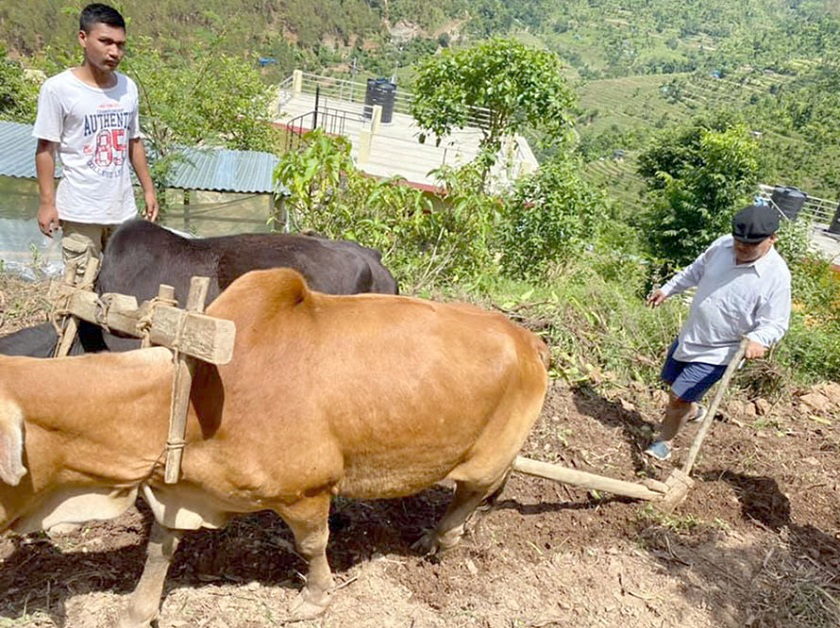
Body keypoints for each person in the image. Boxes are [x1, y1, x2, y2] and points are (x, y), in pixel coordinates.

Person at [644, 203, 792, 461]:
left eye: (750, 245)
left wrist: (759, 339)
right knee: (670, 381)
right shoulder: (722, 245)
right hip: (692, 335)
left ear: (772, 239)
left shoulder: (777, 277)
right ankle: (691, 411)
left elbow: (775, 323)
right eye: (739, 242)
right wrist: (668, 289)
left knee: (678, 397)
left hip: (721, 351)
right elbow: (696, 271)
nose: (742, 248)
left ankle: (664, 442)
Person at [33, 3, 158, 278]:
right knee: (79, 289)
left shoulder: (128, 88)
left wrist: (148, 190)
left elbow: (133, 141)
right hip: (80, 211)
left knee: (125, 287)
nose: (114, 52)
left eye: (120, 45)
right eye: (105, 42)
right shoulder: (59, 89)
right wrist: (46, 203)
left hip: (122, 210)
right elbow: (46, 149)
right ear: (83, 38)